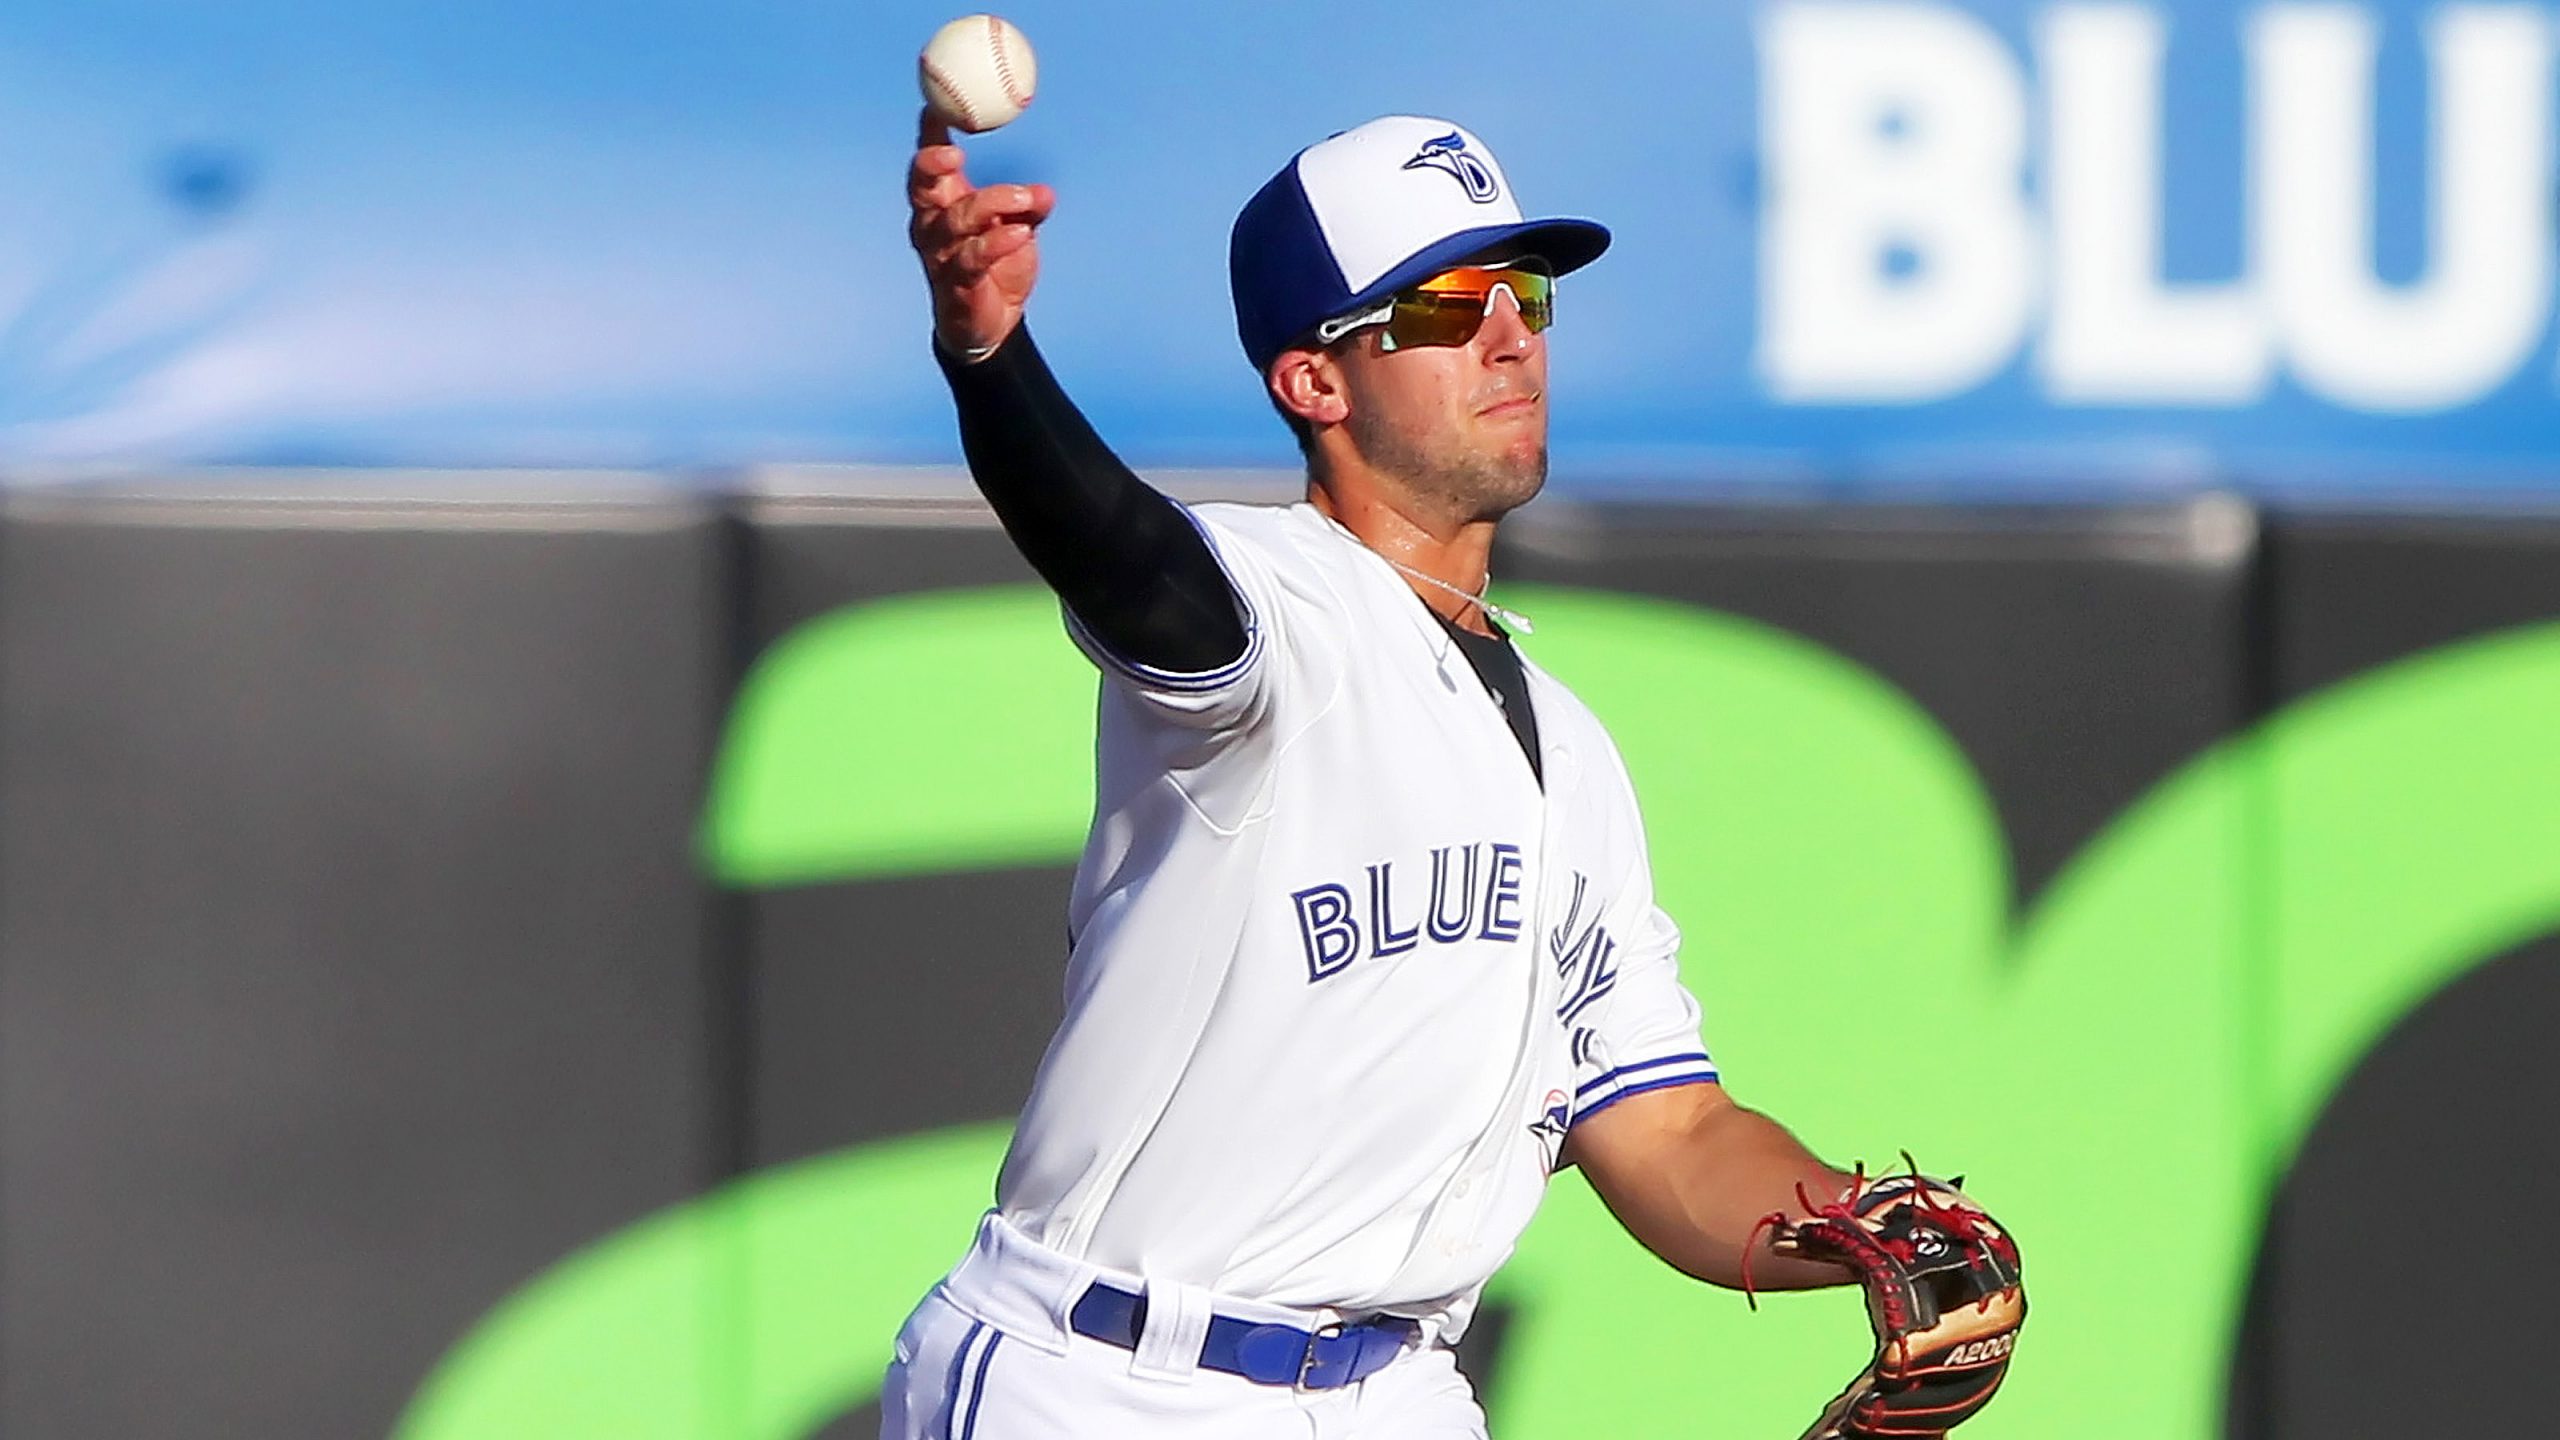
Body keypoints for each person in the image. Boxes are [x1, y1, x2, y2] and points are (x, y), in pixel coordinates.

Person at [884, 111, 1894, 1439]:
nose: (1509, 333)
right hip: (1103, 1376)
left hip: (1395, 1394)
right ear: (1315, 381)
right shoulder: (1272, 608)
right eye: (1444, 303)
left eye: (1522, 292)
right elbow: (1117, 551)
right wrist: (991, 359)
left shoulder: (1571, 757)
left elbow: (1671, 1133)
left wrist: (1868, 1234)